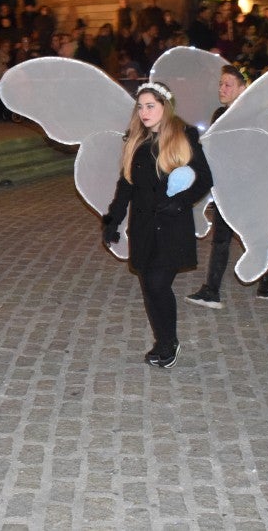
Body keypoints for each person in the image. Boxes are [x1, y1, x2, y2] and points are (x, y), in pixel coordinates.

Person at [102, 81, 213, 368]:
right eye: (140, 107)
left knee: (157, 283)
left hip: (171, 225)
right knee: (150, 288)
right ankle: (163, 341)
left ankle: (169, 342)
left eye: (150, 106)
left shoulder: (183, 136)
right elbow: (125, 185)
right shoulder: (135, 141)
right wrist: (113, 220)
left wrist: (181, 201)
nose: (144, 112)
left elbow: (204, 177)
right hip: (143, 227)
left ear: (165, 106)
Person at [186, 65, 268, 309]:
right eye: (220, 84)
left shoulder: (258, 117)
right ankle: (211, 290)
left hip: (251, 189)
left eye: (228, 85)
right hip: (226, 187)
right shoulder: (218, 115)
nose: (221, 89)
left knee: (251, 236)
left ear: (242, 88)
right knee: (221, 238)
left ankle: (266, 277)